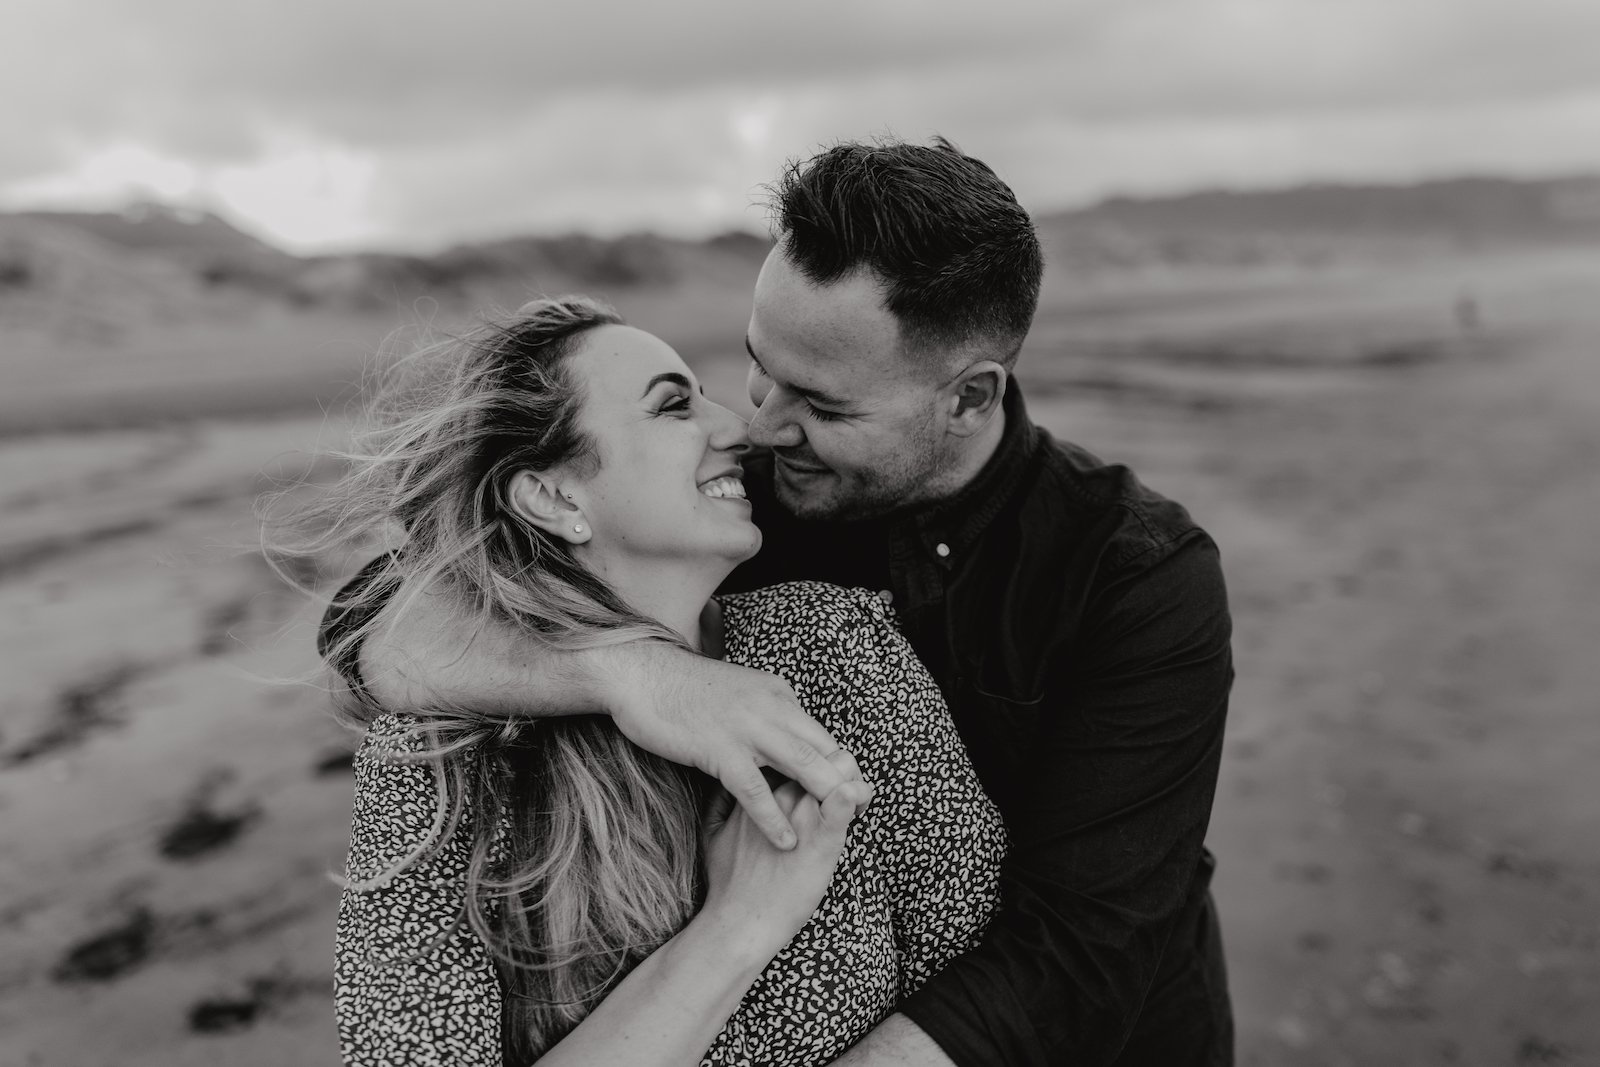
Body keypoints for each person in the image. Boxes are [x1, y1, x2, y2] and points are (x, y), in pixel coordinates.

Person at [340, 137, 1235, 1066]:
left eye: (821, 403)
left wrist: (741, 928)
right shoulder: (725, 508)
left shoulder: (1137, 573)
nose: (759, 425)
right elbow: (370, 615)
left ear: (969, 399)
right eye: (758, 365)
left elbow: (1073, 957)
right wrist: (629, 672)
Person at [297, 297, 1007, 1066]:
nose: (741, 427)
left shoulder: (834, 644)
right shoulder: (437, 767)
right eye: (674, 406)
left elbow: (973, 983)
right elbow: (367, 612)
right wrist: (738, 925)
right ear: (555, 496)